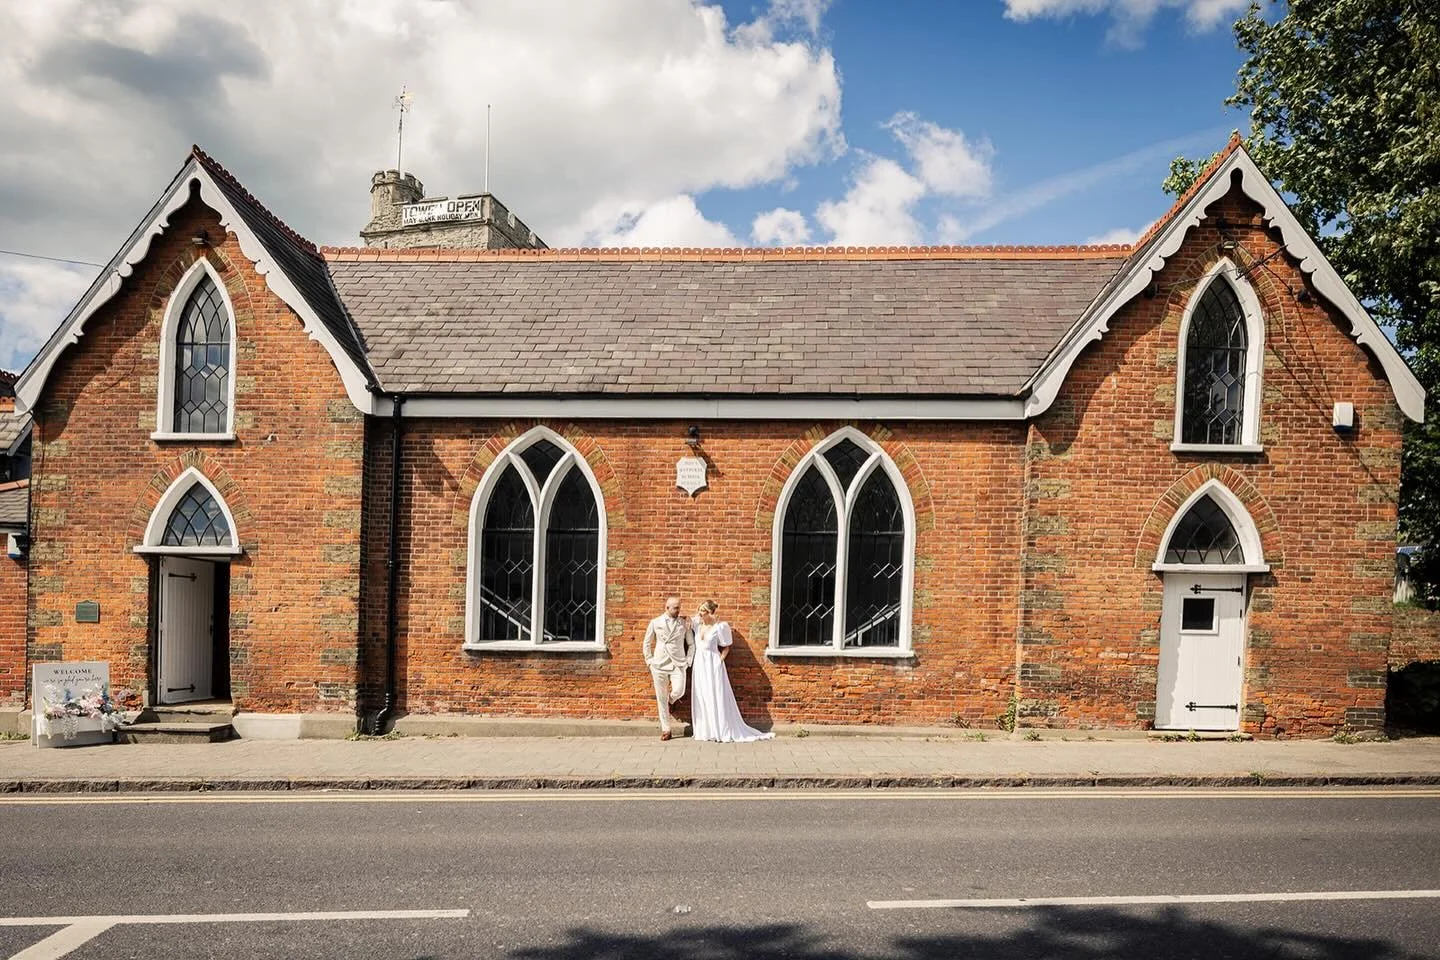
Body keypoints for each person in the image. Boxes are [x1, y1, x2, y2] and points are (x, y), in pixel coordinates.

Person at [689, 600, 774, 742]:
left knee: (715, 694)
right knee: (702, 694)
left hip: (713, 663)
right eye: (699, 610)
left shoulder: (719, 627)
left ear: (710, 612)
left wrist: (719, 661)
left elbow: (726, 647)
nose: (700, 613)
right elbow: (687, 619)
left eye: (703, 610)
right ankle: (706, 730)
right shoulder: (697, 625)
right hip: (699, 664)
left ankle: (719, 728)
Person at [642, 596, 693, 741]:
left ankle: (672, 700)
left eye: (679, 607)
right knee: (661, 697)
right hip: (659, 664)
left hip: (678, 663)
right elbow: (647, 642)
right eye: (676, 608)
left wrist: (688, 660)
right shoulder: (655, 622)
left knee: (679, 690)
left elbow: (691, 644)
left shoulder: (684, 623)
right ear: (667, 608)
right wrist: (649, 661)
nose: (678, 610)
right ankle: (666, 729)